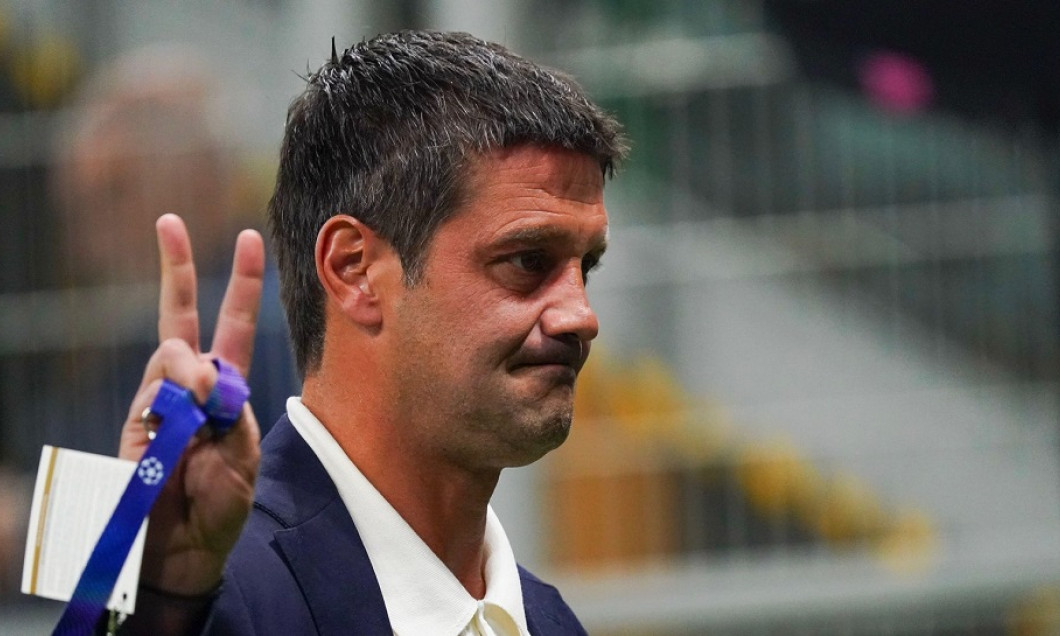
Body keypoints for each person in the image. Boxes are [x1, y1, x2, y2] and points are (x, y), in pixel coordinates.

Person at [114, 30, 626, 635]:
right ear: (354, 269)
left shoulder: (551, 622)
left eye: (585, 268)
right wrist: (157, 601)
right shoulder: (202, 594)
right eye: (527, 261)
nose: (580, 315)